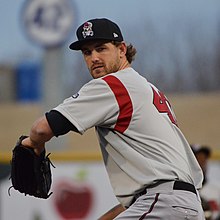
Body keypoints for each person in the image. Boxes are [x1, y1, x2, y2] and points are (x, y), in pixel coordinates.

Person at [21, 18, 205, 219]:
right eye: (87, 52)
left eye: (101, 48)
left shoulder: (114, 84)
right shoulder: (146, 87)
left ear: (121, 49)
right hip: (182, 204)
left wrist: (32, 144)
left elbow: (42, 129)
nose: (94, 58)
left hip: (163, 204)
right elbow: (143, 196)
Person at [191, 144, 220, 220]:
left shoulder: (216, 188)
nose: (201, 162)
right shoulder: (181, 189)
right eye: (197, 158)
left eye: (204, 158)